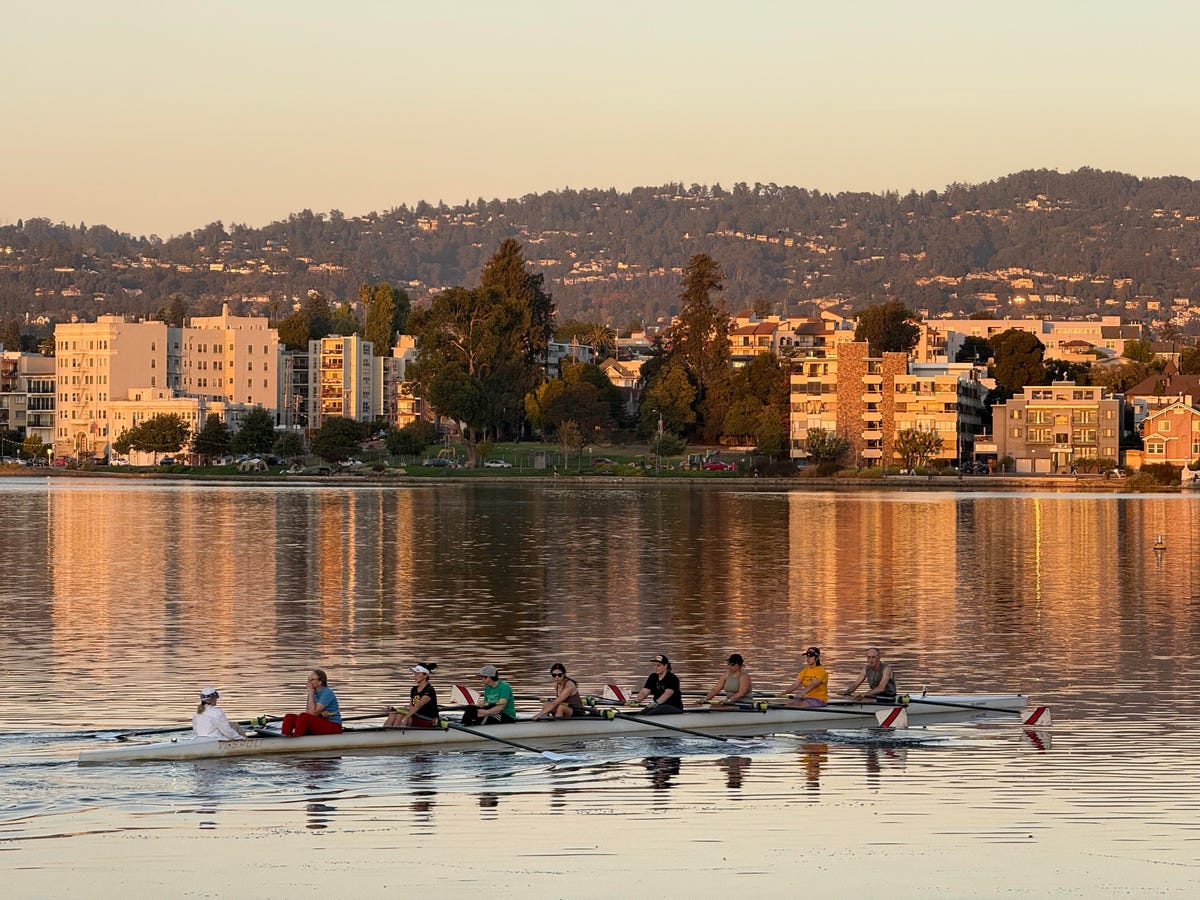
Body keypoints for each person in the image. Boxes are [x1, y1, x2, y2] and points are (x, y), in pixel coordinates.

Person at [281, 668, 343, 736]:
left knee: (303, 717)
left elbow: (312, 713)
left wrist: (310, 692)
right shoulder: (313, 692)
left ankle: (298, 739)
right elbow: (309, 712)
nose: (309, 681)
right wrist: (319, 713)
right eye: (309, 679)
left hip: (333, 726)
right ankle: (284, 739)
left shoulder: (327, 692)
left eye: (311, 679)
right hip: (320, 723)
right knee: (289, 717)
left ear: (320, 682)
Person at [385, 663, 440, 727]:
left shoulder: (429, 690)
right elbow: (411, 707)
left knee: (400, 715)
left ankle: (396, 733)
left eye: (418, 673)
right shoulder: (414, 689)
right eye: (414, 673)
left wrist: (406, 718)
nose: (415, 675)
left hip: (428, 719)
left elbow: (418, 706)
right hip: (416, 716)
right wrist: (401, 710)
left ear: (425, 675)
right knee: (393, 713)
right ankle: (385, 731)